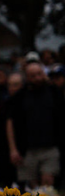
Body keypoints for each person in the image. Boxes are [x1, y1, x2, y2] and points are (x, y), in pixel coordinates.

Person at [7, 61, 65, 189]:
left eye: (39, 74)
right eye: (33, 76)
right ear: (27, 78)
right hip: (27, 149)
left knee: (48, 184)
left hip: (50, 146)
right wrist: (13, 149)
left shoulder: (54, 92)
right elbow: (10, 122)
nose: (37, 78)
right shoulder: (20, 96)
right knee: (31, 188)